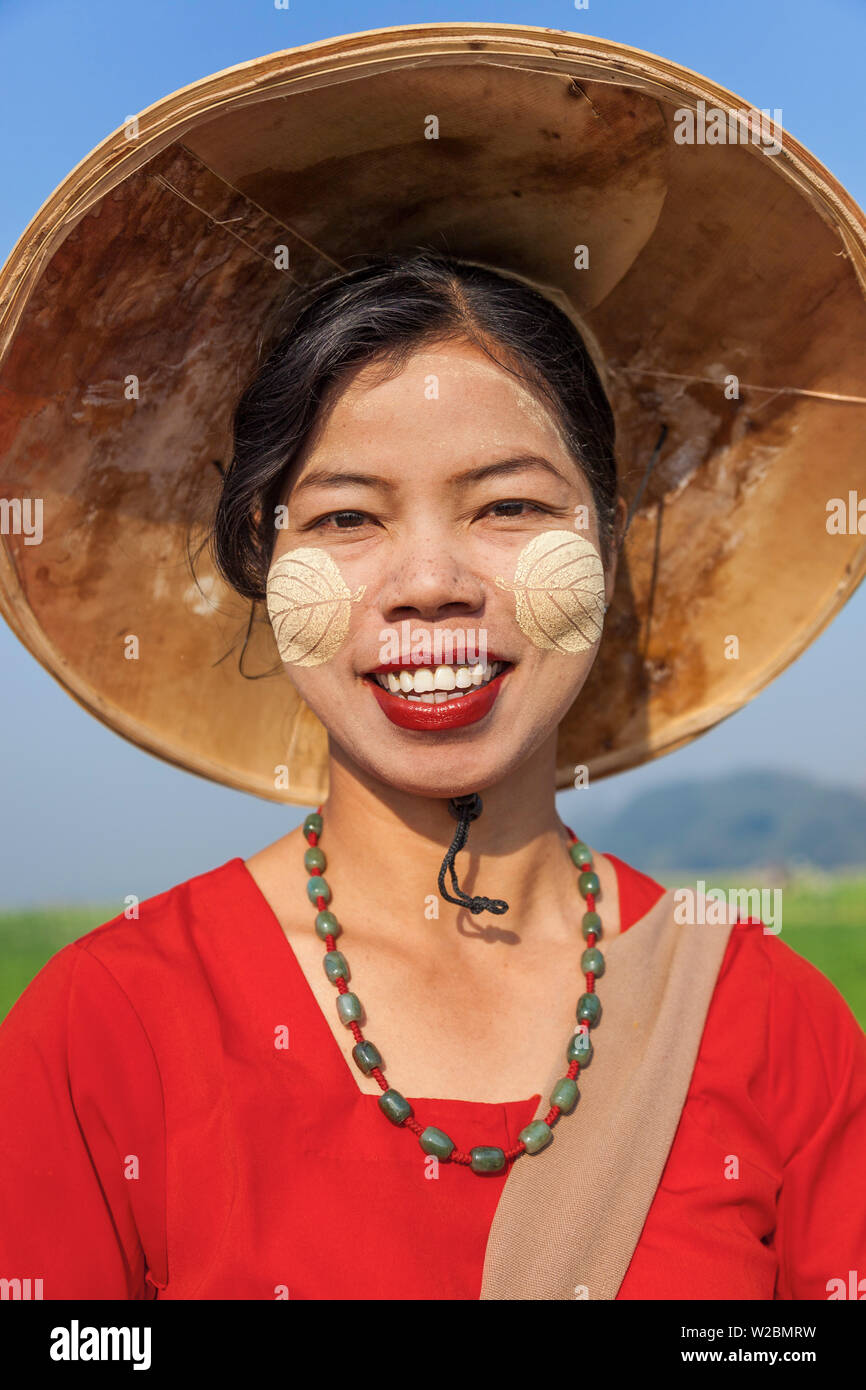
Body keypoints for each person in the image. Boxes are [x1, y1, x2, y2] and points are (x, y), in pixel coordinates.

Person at [0, 251, 864, 1300]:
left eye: (504, 506)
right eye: (345, 517)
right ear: (262, 563)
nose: (428, 585)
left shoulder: (774, 1026)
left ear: (606, 530)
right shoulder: (104, 1032)